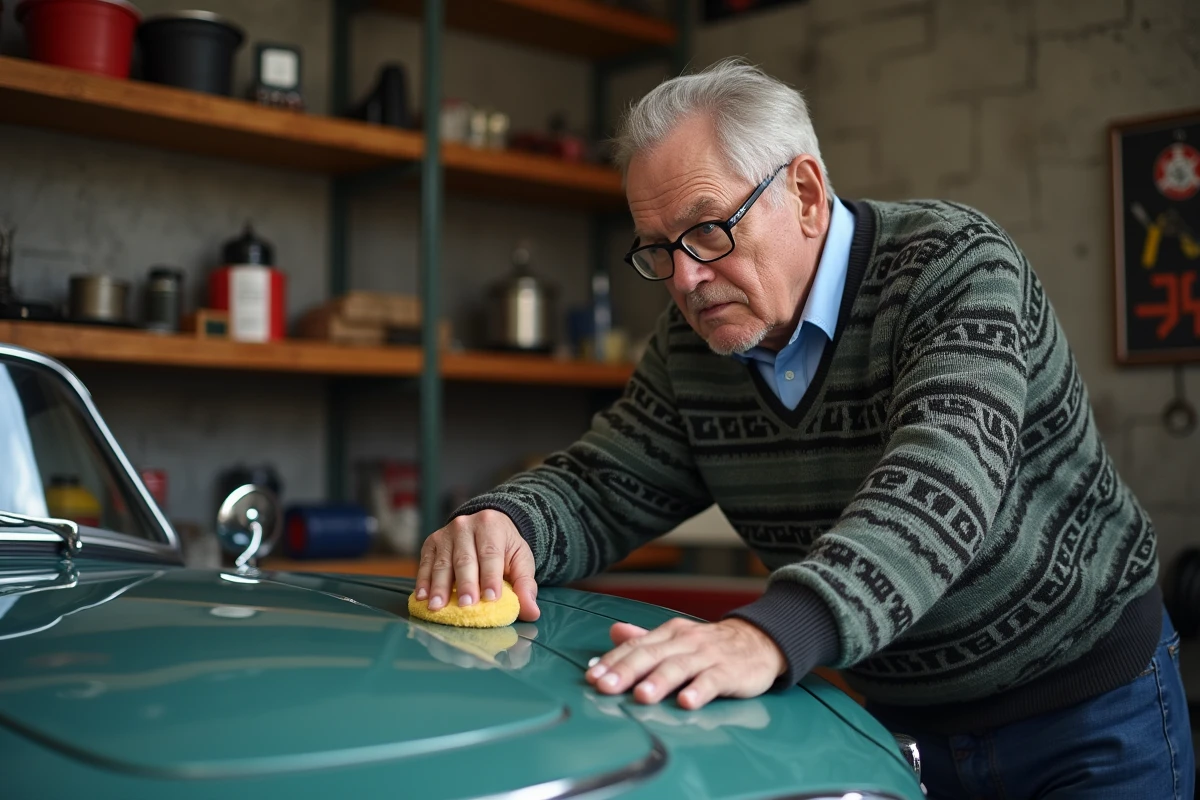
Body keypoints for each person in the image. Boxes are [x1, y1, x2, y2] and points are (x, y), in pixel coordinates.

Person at [414, 59, 1194, 799]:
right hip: (887, 718)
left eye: (707, 230)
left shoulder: (956, 267)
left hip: (1085, 705)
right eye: (658, 250)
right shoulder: (696, 344)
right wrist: (506, 521)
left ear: (807, 194)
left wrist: (770, 636)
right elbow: (603, 484)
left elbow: (941, 482)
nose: (684, 279)